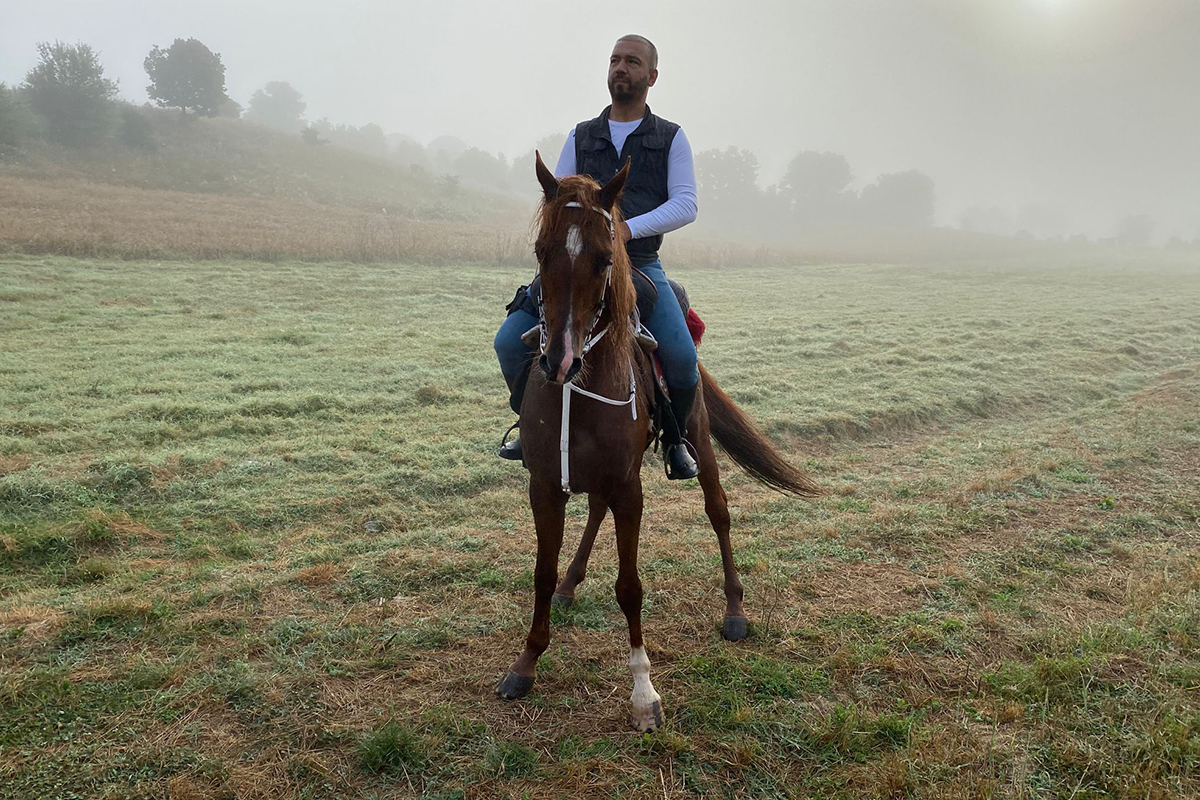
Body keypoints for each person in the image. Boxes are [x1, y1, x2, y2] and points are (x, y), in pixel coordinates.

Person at [494, 33, 701, 479]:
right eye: (614, 60)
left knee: (682, 359)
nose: (620, 68)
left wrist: (626, 229)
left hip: (639, 263)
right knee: (508, 343)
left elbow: (686, 204)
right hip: (575, 263)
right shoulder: (582, 134)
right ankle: (527, 426)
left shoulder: (670, 138)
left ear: (652, 76)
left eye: (631, 61)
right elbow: (558, 195)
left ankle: (674, 438)